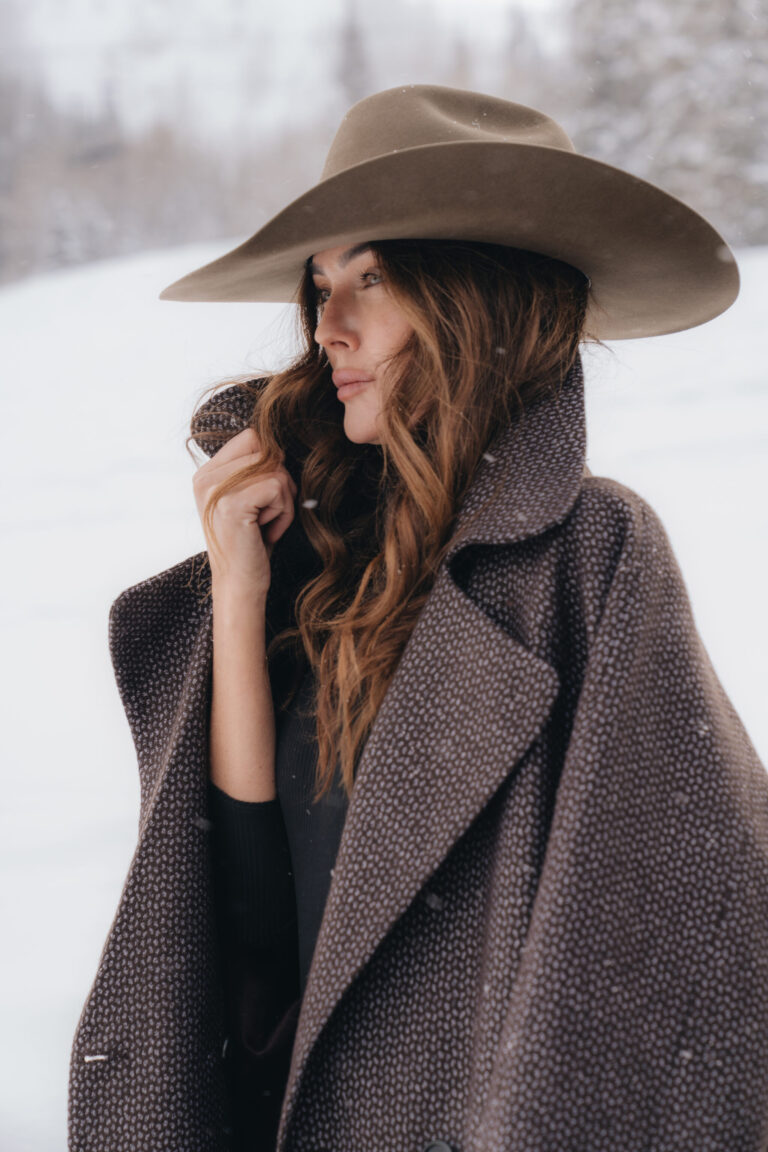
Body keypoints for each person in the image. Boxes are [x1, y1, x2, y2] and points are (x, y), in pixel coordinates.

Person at [68, 84, 768, 1152]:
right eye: (320, 284)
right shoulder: (314, 561)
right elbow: (249, 922)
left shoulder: (591, 557)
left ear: (474, 300)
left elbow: (683, 950)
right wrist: (241, 589)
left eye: (374, 279)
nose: (328, 325)